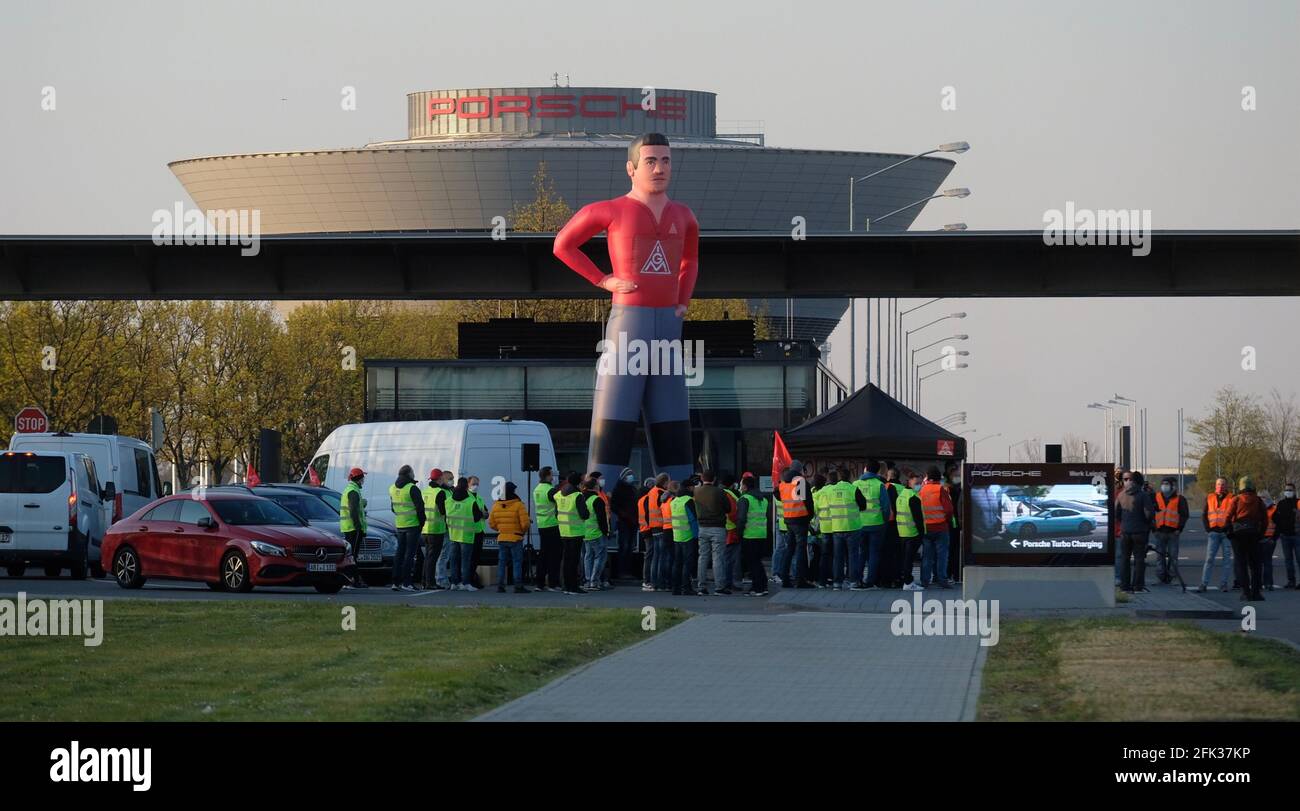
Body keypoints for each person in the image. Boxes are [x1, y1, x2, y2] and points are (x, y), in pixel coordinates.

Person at [553, 132, 700, 485]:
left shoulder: (684, 215)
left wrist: (682, 301)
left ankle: (679, 499)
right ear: (631, 169)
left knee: (673, 419)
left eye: (665, 160)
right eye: (650, 161)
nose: (659, 168)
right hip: (629, 323)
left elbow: (691, 259)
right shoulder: (609, 210)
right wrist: (603, 280)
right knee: (615, 414)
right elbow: (563, 244)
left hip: (668, 327)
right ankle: (599, 493)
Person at [1224, 476, 1267, 601]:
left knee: (1241, 564)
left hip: (1238, 535)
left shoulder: (1236, 499)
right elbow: (1265, 519)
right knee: (1256, 565)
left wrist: (1229, 531)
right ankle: (1256, 593)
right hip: (1254, 533)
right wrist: (1261, 534)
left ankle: (1245, 592)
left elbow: (1228, 516)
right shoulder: (1258, 500)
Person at [851, 460, 891, 590]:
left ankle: (857, 580)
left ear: (865, 468)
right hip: (877, 523)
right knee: (874, 553)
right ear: (878, 471)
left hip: (859, 524)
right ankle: (870, 582)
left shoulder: (855, 484)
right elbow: (886, 507)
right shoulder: (880, 485)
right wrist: (884, 521)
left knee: (861, 553)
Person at [1114, 471, 1155, 592]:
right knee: (1139, 560)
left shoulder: (1121, 495)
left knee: (1125, 559)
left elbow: (1117, 513)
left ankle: (1124, 585)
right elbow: (1149, 514)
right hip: (1140, 532)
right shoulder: (1143, 496)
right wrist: (1147, 523)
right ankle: (1137, 586)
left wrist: (1124, 522)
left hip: (1125, 532)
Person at [388, 464, 426, 592]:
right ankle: (407, 582)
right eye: (413, 472)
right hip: (412, 525)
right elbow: (420, 508)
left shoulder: (392, 488)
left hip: (400, 525)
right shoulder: (412, 488)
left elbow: (392, 508)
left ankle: (395, 582)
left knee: (399, 553)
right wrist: (422, 523)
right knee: (410, 555)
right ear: (409, 474)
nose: (414, 474)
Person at [489, 482, 532, 594]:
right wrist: (522, 532)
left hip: (502, 537)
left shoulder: (496, 505)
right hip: (516, 538)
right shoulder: (518, 505)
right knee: (517, 562)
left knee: (502, 562)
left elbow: (491, 523)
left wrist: (501, 530)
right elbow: (526, 523)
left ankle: (500, 586)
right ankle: (518, 585)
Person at [778, 461, 816, 588]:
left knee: (789, 549)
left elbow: (777, 494)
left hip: (789, 520)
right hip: (800, 519)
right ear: (800, 470)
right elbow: (807, 501)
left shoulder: (783, 482)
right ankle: (800, 580)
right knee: (800, 550)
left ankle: (785, 578)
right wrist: (809, 516)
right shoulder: (799, 481)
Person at [919, 466, 956, 589]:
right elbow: (949, 509)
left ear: (928, 477)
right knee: (942, 556)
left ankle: (925, 581)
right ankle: (942, 580)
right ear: (938, 478)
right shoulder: (940, 489)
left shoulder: (921, 490)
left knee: (927, 556)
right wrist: (947, 520)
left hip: (926, 528)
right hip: (941, 528)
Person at [693, 470, 729, 595]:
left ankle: (701, 587)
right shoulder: (719, 492)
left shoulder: (696, 492)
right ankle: (719, 587)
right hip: (718, 527)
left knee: (702, 557)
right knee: (718, 558)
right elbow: (728, 508)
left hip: (702, 527)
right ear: (713, 479)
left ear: (702, 479)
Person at [444, 477, 483, 591]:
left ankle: (454, 583)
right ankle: (466, 582)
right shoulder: (470, 502)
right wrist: (481, 513)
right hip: (466, 535)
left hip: (453, 535)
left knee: (454, 560)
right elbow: (476, 518)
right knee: (466, 561)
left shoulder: (449, 500)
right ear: (467, 487)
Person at [554, 472, 590, 595]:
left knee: (566, 559)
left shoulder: (559, 494)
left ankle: (565, 586)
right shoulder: (577, 495)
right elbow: (584, 514)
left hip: (563, 531)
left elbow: (556, 513)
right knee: (574, 561)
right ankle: (573, 587)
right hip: (575, 532)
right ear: (578, 483)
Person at [1198, 477, 1235, 593]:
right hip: (1213, 532)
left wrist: (1229, 529)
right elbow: (1204, 514)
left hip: (1226, 533)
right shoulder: (1209, 497)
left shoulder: (1232, 498)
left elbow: (1235, 515)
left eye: (1223, 484)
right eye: (1218, 484)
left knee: (1227, 560)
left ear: (1227, 486)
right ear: (1215, 485)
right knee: (1209, 559)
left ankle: (1223, 584)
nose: (1220, 486)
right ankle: (1203, 584)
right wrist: (1208, 529)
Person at [736, 475, 770, 595]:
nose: (740, 487)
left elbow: (741, 518)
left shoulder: (745, 499)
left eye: (741, 485)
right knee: (757, 562)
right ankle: (763, 585)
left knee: (752, 563)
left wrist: (738, 533)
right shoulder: (763, 499)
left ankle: (758, 588)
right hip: (761, 534)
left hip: (749, 535)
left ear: (745, 486)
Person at [1151, 476, 1188, 584]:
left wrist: (1179, 529)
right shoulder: (1156, 497)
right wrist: (1154, 529)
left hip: (1173, 532)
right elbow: (1151, 514)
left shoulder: (1180, 499)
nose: (1164, 486)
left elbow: (1184, 515)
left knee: (1173, 557)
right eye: (1163, 484)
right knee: (1159, 556)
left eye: (1167, 484)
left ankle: (1172, 577)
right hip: (1160, 532)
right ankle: (1161, 577)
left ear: (1173, 486)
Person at [533, 467, 563, 591]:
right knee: (554, 555)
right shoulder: (550, 490)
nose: (553, 477)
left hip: (541, 525)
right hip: (552, 525)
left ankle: (539, 583)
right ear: (547, 476)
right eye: (551, 475)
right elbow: (561, 502)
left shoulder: (537, 489)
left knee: (543, 554)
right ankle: (553, 583)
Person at [668, 479, 700, 595]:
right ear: (689, 488)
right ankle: (686, 587)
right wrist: (697, 536)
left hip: (677, 536)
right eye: (693, 487)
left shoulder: (674, 501)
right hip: (688, 536)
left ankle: (675, 588)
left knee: (677, 563)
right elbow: (693, 520)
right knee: (687, 563)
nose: (695, 489)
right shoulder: (688, 501)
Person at [340, 467, 370, 589]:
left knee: (351, 555)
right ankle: (353, 581)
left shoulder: (350, 489)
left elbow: (354, 506)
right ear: (359, 479)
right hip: (353, 528)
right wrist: (358, 527)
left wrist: (362, 503)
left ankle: (352, 580)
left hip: (348, 527)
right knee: (352, 556)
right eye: (363, 478)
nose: (363, 480)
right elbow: (353, 511)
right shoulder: (353, 491)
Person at [581, 476, 612, 590]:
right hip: (597, 533)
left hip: (585, 532)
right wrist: (606, 532)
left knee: (588, 557)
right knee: (600, 557)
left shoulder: (582, 497)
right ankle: (594, 581)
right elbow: (602, 519)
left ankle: (588, 580)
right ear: (595, 487)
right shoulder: (597, 500)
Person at [896, 471, 926, 591]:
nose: (919, 485)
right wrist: (922, 533)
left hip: (902, 532)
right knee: (909, 560)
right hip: (912, 533)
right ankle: (908, 582)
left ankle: (906, 580)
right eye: (916, 482)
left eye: (920, 483)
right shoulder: (913, 497)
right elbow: (918, 518)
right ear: (909, 481)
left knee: (905, 559)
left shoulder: (902, 495)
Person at [420, 468, 447, 590]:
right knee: (433, 557)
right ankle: (430, 582)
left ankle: (425, 581)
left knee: (427, 557)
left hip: (425, 529)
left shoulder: (425, 491)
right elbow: (443, 511)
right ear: (440, 479)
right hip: (436, 530)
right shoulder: (440, 492)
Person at [612, 469, 639, 580]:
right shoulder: (619, 489)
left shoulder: (632, 489)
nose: (631, 477)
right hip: (624, 521)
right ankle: (622, 571)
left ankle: (628, 571)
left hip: (632, 521)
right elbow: (614, 505)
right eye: (628, 475)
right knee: (624, 546)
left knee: (630, 547)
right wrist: (623, 514)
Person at [720, 472, 742, 591]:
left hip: (725, 528)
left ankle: (726, 581)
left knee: (726, 557)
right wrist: (739, 526)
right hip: (731, 529)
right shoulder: (729, 494)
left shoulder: (719, 492)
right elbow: (733, 513)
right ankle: (729, 582)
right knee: (731, 558)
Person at [1274, 482, 1298, 588]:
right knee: (1288, 560)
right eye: (1287, 490)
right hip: (1285, 536)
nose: (1288, 492)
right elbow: (1276, 518)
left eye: (1290, 490)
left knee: (1299, 559)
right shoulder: (1281, 504)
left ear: (1294, 491)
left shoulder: (1298, 503)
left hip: (1297, 535)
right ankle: (1291, 581)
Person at [945, 463, 963, 583]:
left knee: (956, 550)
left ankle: (955, 574)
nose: (958, 476)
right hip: (951, 523)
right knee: (951, 550)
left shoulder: (959, 487)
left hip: (956, 522)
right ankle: (951, 574)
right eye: (956, 474)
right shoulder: (948, 488)